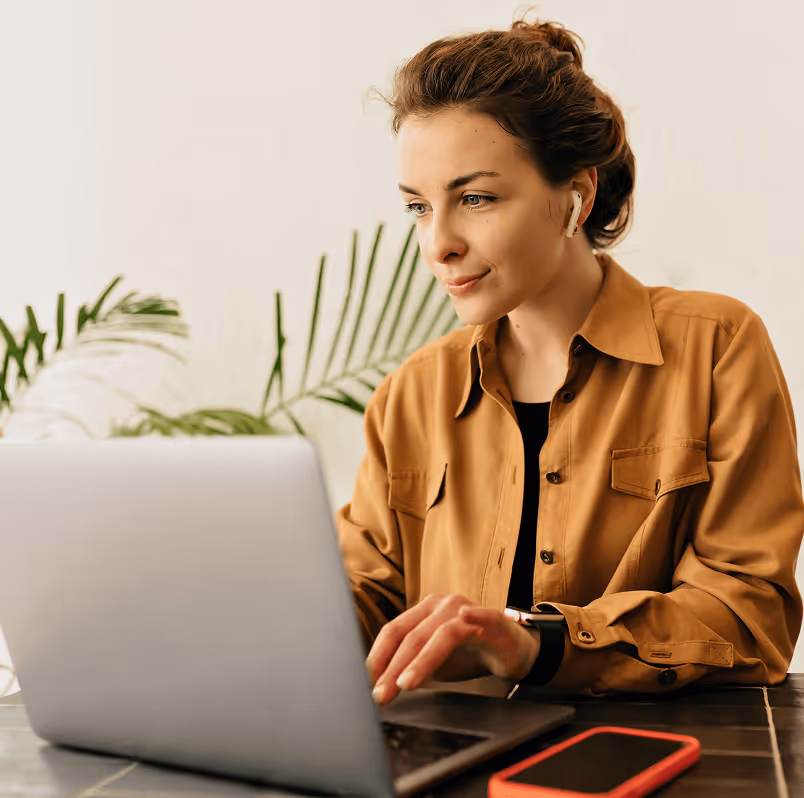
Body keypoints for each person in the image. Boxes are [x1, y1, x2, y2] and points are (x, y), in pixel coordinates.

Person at [333, 9, 804, 702]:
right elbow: (362, 595)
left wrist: (536, 642)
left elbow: (749, 616)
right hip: (447, 751)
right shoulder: (411, 393)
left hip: (644, 747)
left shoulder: (716, 347)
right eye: (418, 207)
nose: (438, 244)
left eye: (475, 198)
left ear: (577, 198)